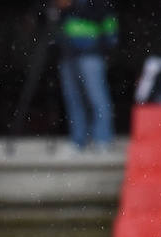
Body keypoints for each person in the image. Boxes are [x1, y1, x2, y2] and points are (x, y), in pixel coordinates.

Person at [55, 0, 119, 150]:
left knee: (97, 97)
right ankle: (78, 140)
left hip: (91, 54)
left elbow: (109, 25)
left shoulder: (95, 4)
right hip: (67, 54)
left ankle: (103, 139)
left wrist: (75, 5)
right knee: (73, 99)